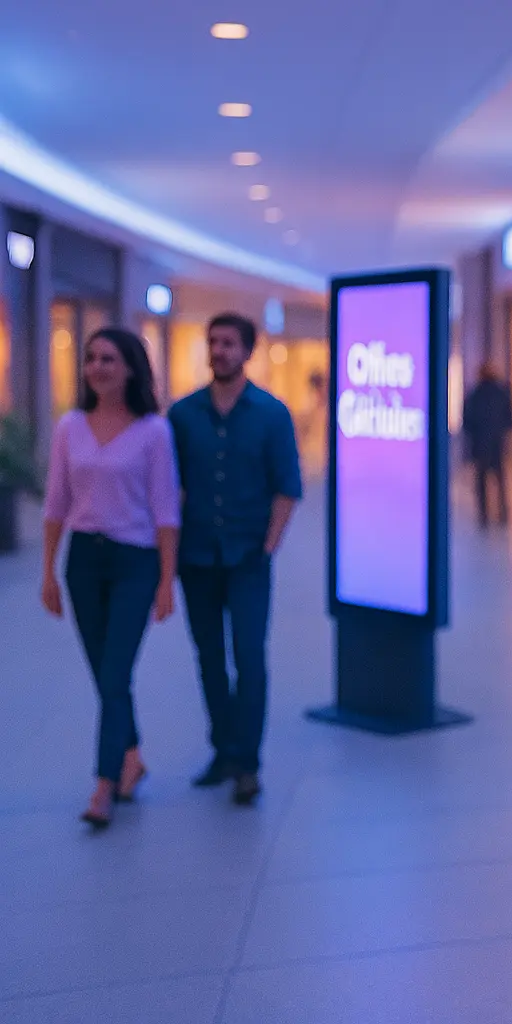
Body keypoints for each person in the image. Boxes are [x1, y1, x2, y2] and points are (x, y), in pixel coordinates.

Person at [40, 328, 179, 829]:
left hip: (134, 562)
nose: (98, 367)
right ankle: (132, 756)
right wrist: (48, 573)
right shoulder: (69, 427)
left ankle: (104, 783)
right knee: (106, 674)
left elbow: (166, 510)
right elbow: (56, 504)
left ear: (131, 370)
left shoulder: (153, 432)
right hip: (83, 562)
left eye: (109, 359)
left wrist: (166, 581)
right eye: (91, 358)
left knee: (116, 672)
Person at [167, 313, 301, 806]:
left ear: (248, 351)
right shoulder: (182, 415)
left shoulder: (271, 414)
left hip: (248, 558)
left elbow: (288, 487)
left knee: (248, 657)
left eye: (229, 343)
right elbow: (168, 489)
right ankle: (222, 750)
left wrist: (268, 546)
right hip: (197, 558)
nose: (219, 350)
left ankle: (248, 762)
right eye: (213, 341)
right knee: (208, 659)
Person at [461, 362, 512, 526]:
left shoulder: (475, 394)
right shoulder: (501, 393)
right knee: (499, 480)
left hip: (481, 444)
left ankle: (484, 516)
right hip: (497, 443)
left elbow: (467, 421)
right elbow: (509, 419)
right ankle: (503, 514)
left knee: (482, 482)